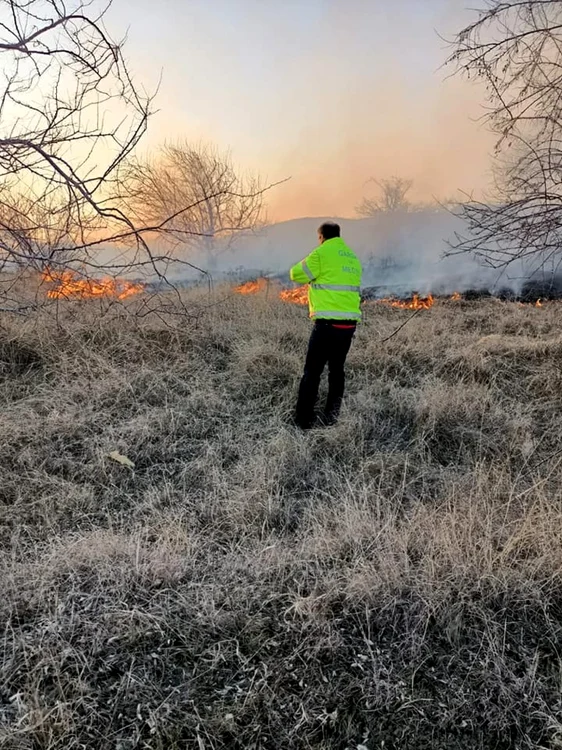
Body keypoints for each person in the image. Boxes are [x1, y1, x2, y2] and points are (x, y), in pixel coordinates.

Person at [289, 221, 362, 429]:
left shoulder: (320, 254)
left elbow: (295, 274)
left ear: (321, 237)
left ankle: (303, 422)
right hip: (348, 326)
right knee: (337, 370)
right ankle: (332, 417)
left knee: (312, 372)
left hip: (326, 325)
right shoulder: (352, 258)